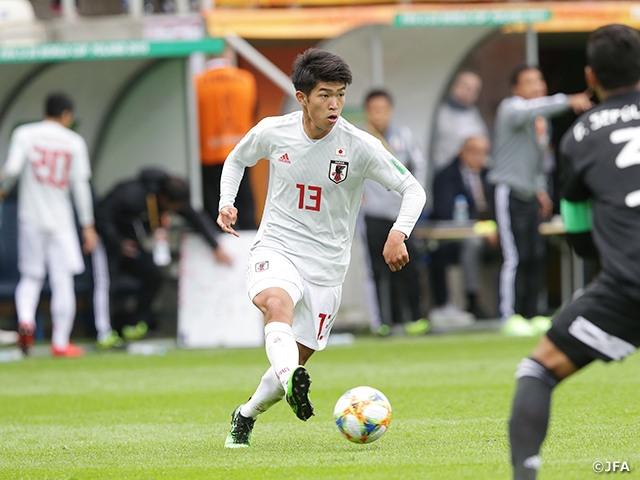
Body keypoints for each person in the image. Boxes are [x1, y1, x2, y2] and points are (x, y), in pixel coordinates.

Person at [219, 48, 426, 448]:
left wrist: (398, 232)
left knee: (293, 362)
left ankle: (245, 414)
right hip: (277, 245)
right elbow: (236, 159)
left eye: (341, 95)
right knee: (275, 303)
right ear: (302, 98)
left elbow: (412, 188)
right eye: (324, 95)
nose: (334, 105)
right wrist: (228, 200)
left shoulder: (360, 145)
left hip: (327, 267)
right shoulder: (273, 131)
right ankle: (289, 378)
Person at [508, 24, 640, 480]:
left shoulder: (580, 135)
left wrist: (609, 271)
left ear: (591, 75)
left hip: (628, 286)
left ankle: (525, 473)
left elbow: (578, 229)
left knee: (537, 371)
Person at [488, 64, 593, 336]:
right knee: (514, 255)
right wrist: (568, 100)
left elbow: (537, 162)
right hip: (508, 190)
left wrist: (541, 190)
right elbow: (534, 108)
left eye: (540, 80)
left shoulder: (540, 121)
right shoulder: (510, 108)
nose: (537, 86)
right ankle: (508, 315)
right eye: (529, 82)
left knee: (536, 254)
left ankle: (532, 312)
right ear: (516, 89)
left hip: (530, 194)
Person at [0, 93, 98, 357]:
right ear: (66, 115)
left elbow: (12, 169)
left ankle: (26, 323)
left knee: (31, 277)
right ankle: (60, 342)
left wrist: (3, 189)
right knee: (62, 280)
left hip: (30, 217)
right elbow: (80, 186)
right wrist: (88, 225)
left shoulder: (25, 134)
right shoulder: (73, 141)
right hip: (61, 221)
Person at [95, 168, 232, 339]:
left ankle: (135, 323)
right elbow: (102, 216)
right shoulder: (131, 195)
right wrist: (119, 242)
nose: (175, 211)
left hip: (132, 247)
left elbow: (195, 217)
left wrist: (215, 246)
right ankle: (104, 331)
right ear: (165, 199)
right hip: (108, 245)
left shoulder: (171, 197)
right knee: (106, 283)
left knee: (154, 276)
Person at [359, 89, 429, 337]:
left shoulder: (404, 136)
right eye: (373, 110)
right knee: (377, 270)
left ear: (390, 110)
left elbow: (419, 166)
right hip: (374, 214)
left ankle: (414, 318)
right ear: (367, 112)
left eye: (383, 109)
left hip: (402, 218)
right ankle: (382, 322)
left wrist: (415, 198)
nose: (378, 115)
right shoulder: (360, 138)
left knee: (409, 267)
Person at [430, 135, 499, 324]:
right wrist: (481, 228)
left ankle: (513, 303)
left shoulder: (489, 175)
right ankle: (472, 300)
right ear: (462, 152)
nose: (480, 158)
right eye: (475, 152)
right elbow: (444, 212)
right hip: (456, 239)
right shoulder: (446, 175)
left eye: (484, 153)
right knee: (471, 244)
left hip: (491, 236)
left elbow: (497, 208)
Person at [195, 46, 258, 231]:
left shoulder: (197, 82)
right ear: (229, 53)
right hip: (241, 151)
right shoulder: (246, 79)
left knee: (216, 208)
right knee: (245, 204)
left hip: (209, 155)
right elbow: (253, 112)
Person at [431, 71, 488, 172]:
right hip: (446, 171)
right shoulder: (439, 113)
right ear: (454, 86)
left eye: (474, 90)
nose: (469, 92)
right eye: (466, 87)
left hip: (471, 173)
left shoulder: (473, 113)